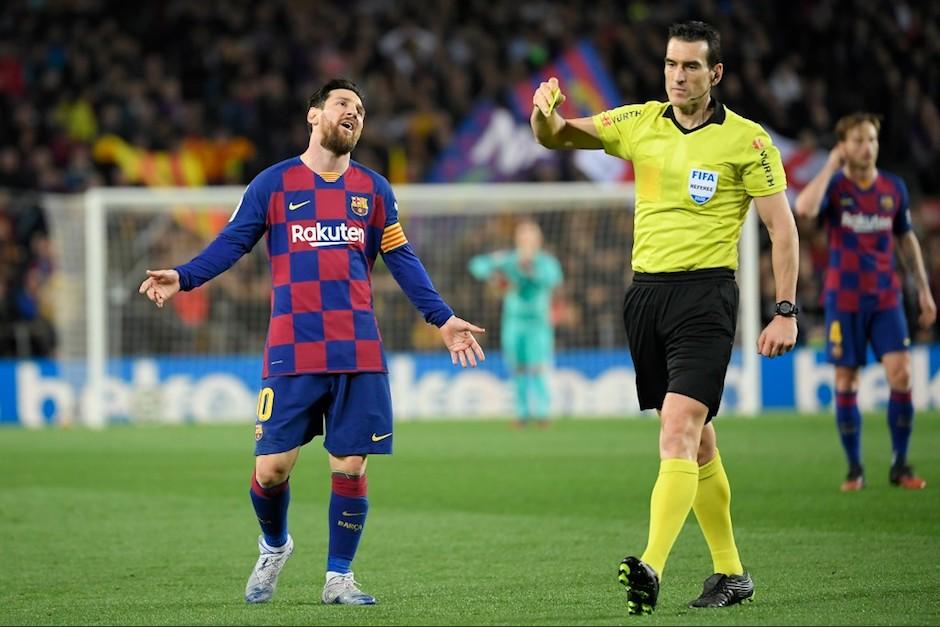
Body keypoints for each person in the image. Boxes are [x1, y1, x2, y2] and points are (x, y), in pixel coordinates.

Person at [138, 78, 485, 606]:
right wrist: (184, 277)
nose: (355, 114)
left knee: (350, 465)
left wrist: (442, 318)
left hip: (357, 349)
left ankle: (339, 577)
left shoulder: (373, 190)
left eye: (362, 110)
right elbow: (233, 242)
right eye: (344, 104)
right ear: (314, 114)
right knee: (271, 469)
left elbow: (402, 260)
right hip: (293, 349)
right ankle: (274, 546)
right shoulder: (273, 185)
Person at [530, 20, 799, 615]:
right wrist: (544, 113)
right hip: (646, 297)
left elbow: (782, 228)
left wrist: (785, 309)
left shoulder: (747, 142)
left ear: (716, 74)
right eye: (672, 65)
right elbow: (558, 137)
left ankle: (650, 566)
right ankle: (731, 573)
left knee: (675, 429)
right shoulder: (640, 123)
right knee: (698, 442)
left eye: (692, 67)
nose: (678, 76)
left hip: (707, 298)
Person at [794, 112, 934, 492]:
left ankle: (900, 465)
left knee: (902, 374)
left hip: (886, 297)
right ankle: (855, 468)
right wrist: (829, 166)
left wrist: (923, 289)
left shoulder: (893, 187)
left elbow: (906, 239)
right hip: (844, 298)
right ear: (843, 146)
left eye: (871, 139)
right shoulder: (836, 188)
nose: (866, 147)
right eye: (857, 141)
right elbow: (804, 209)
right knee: (846, 380)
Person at [468, 219, 563, 427]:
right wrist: (494, 273)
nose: (527, 240)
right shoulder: (508, 260)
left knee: (538, 367)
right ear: (517, 239)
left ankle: (542, 413)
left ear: (539, 240)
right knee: (518, 367)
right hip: (514, 321)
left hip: (538, 322)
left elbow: (553, 279)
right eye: (523, 236)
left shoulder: (546, 263)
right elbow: (476, 265)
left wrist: (530, 271)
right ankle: (521, 414)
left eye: (531, 236)